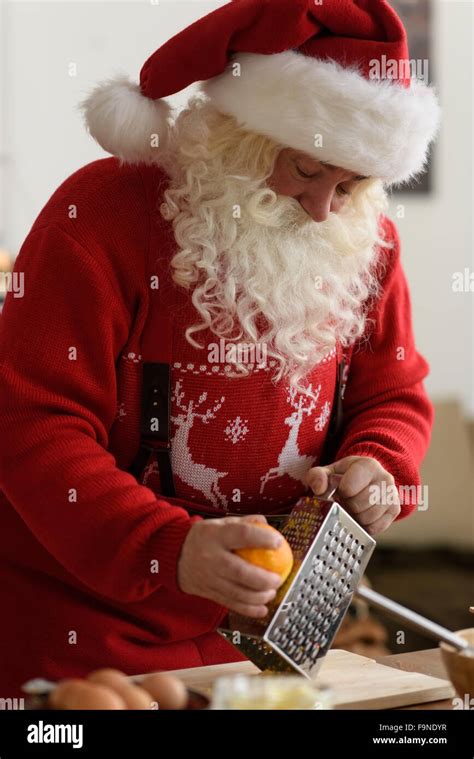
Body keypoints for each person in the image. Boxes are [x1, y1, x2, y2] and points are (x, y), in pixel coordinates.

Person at [0, 0, 440, 698]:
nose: (324, 208)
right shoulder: (100, 214)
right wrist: (166, 548)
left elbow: (394, 391)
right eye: (304, 169)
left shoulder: (367, 240)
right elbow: (30, 424)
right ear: (237, 134)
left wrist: (380, 462)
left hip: (269, 646)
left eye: (351, 185)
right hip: (84, 634)